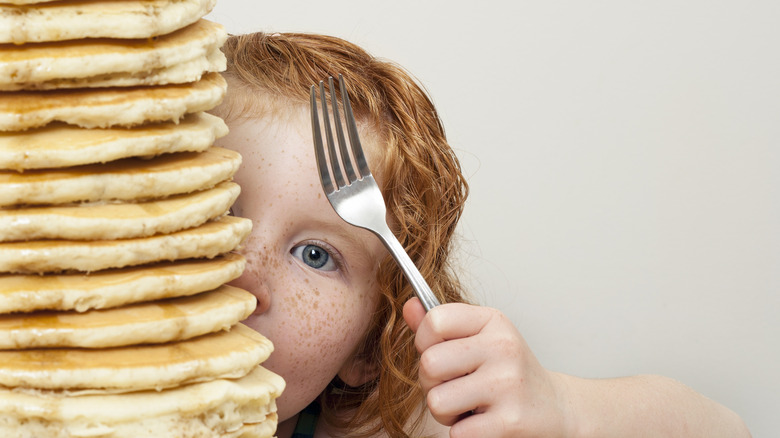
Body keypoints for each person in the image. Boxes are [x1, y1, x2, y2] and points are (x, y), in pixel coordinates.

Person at [211, 32, 751, 438]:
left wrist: (566, 408)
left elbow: (724, 428)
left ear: (368, 352)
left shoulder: (357, 425)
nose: (245, 275)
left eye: (315, 255)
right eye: (215, 210)